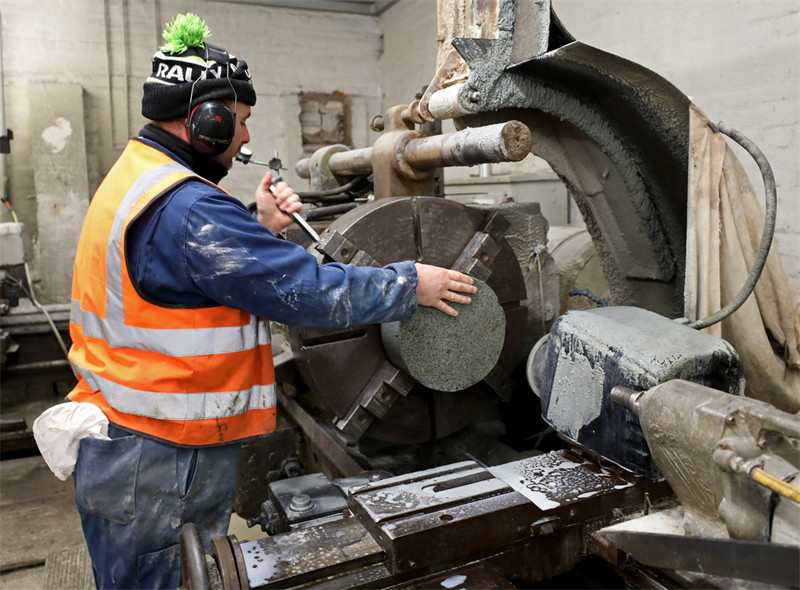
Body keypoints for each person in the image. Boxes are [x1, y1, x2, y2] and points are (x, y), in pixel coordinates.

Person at [60, 13, 476, 590]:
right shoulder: (192, 208)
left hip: (126, 436)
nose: (245, 139)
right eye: (241, 122)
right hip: (164, 458)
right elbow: (306, 292)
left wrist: (258, 227)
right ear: (206, 121)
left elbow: (186, 277)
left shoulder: (138, 177)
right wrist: (411, 285)